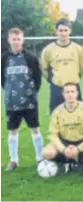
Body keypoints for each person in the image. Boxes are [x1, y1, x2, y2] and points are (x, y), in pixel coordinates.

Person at [1, 27, 43, 171]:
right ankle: (13, 161)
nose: (16, 42)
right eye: (14, 39)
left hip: (29, 102)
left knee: (35, 130)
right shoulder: (4, 58)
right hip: (11, 103)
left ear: (23, 40)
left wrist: (31, 93)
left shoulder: (30, 57)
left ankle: (40, 158)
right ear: (9, 40)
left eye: (19, 39)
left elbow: (38, 79)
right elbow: (2, 80)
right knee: (13, 131)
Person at [42, 83, 83, 173]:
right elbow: (52, 135)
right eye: (67, 92)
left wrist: (79, 148)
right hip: (64, 141)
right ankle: (66, 159)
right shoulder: (57, 111)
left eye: (72, 91)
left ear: (77, 93)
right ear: (63, 94)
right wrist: (63, 149)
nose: (70, 94)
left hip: (82, 140)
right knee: (47, 153)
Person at [41, 18, 83, 113]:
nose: (63, 33)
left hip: (74, 88)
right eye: (60, 30)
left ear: (70, 31)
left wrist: (73, 79)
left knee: (77, 117)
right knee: (56, 116)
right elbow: (43, 68)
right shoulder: (48, 49)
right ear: (56, 31)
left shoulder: (78, 49)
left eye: (66, 30)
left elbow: (82, 68)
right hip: (57, 88)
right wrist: (53, 80)